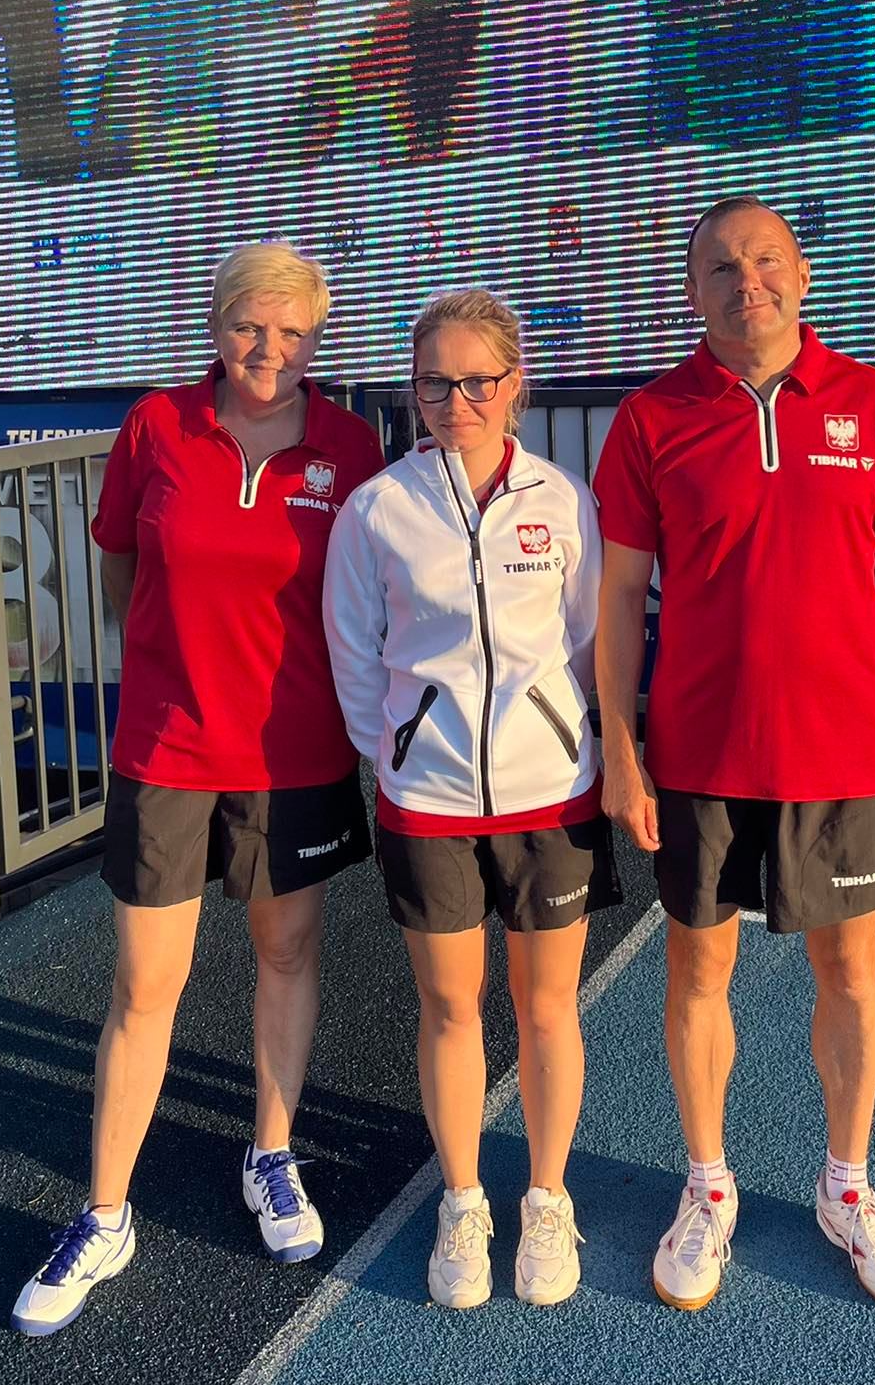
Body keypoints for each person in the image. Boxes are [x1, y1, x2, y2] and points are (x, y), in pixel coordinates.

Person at [11, 243, 385, 1336]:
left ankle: (270, 1152)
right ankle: (105, 1212)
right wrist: (167, 660)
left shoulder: (351, 445)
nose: (270, 349)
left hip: (297, 752)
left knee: (286, 953)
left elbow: (365, 592)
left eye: (294, 331)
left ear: (317, 339)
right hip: (167, 748)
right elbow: (122, 562)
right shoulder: (157, 425)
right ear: (216, 324)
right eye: (249, 325)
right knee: (145, 984)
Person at [593, 196, 875, 1314]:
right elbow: (618, 595)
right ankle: (708, 1183)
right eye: (718, 265)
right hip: (700, 754)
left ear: (799, 273)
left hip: (844, 754)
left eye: (762, 260)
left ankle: (846, 1185)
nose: (743, 281)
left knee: (850, 975)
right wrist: (620, 743)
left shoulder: (872, 401)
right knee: (697, 974)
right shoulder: (651, 416)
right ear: (690, 290)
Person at [323, 288, 618, 1310]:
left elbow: (586, 638)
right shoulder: (377, 509)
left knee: (546, 1008)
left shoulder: (562, 499)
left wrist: (567, 736)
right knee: (451, 1007)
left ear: (514, 384)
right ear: (413, 391)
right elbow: (353, 651)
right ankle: (461, 1199)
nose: (457, 402)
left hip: (551, 797)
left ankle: (545, 1197)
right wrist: (399, 752)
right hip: (430, 803)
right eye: (434, 383)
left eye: (477, 381)